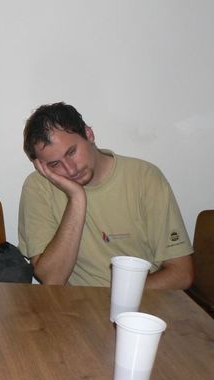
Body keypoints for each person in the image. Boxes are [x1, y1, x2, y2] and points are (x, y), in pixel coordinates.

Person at [18, 102, 194, 290]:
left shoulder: (145, 177)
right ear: (41, 166)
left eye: (72, 152)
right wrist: (76, 198)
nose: (70, 169)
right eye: (55, 164)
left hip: (141, 301)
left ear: (89, 134)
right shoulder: (38, 187)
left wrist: (119, 296)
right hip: (75, 305)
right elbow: (52, 279)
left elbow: (181, 273)